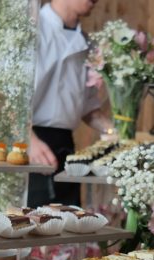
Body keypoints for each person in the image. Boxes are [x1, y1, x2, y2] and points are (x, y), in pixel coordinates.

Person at [29, 0, 113, 207]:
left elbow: (88, 107)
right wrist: (28, 140)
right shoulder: (29, 30)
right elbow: (7, 98)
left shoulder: (85, 43)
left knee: (66, 226)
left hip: (65, 146)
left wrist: (112, 131)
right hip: (30, 143)